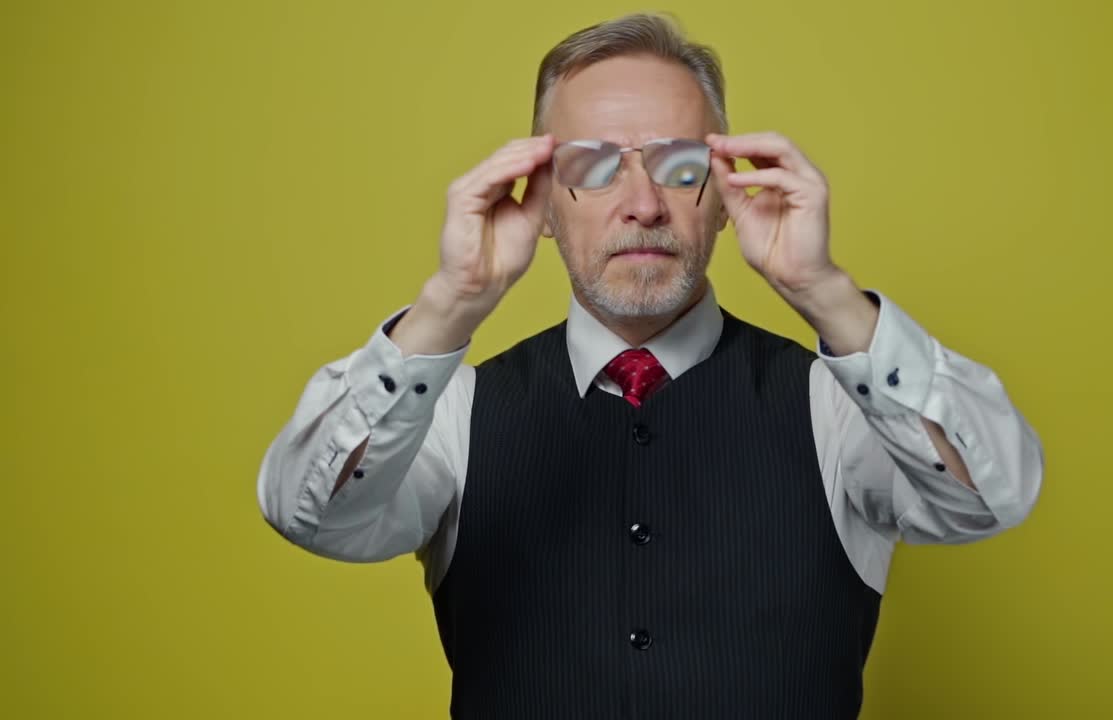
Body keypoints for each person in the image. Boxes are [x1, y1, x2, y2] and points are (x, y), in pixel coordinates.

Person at [257, 12, 1043, 719]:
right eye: (595, 166)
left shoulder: (835, 402)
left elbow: (990, 498)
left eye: (675, 165)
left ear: (726, 193)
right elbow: (310, 515)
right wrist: (450, 303)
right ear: (544, 207)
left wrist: (827, 294)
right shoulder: (454, 412)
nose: (642, 204)